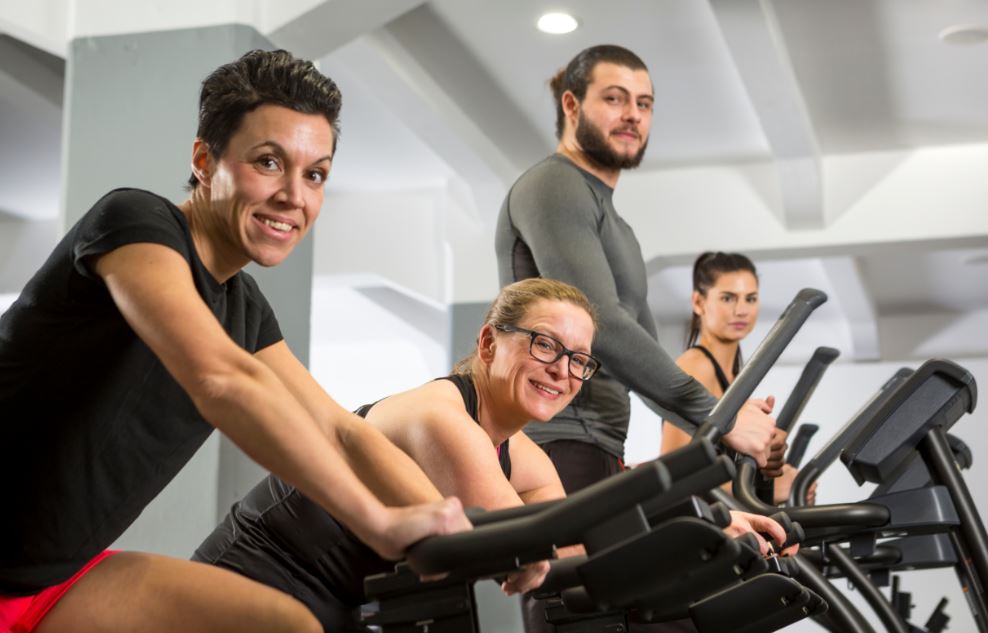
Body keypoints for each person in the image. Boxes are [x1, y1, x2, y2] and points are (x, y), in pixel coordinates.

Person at [0, 49, 469, 633]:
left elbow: (341, 430)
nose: (295, 196)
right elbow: (219, 379)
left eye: (315, 174)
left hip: (55, 575)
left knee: (283, 625)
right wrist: (376, 520)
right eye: (269, 162)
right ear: (204, 159)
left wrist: (457, 533)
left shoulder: (244, 308)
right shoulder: (134, 224)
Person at [192, 278, 795, 632]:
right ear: (488, 342)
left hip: (340, 607)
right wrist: (691, 525)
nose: (563, 371)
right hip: (257, 581)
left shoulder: (525, 457)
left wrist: (712, 523)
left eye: (579, 360)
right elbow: (528, 547)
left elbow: (574, 549)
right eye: (544, 346)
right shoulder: (440, 418)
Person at [493, 44, 785, 631]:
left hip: (605, 449)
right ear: (571, 105)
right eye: (615, 98)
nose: (632, 114)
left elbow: (646, 358)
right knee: (584, 618)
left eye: (644, 103)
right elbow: (596, 319)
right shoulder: (553, 186)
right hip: (557, 446)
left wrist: (733, 422)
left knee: (663, 612)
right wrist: (720, 415)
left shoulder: (616, 224)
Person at [662, 252, 815, 505]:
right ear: (698, 302)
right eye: (727, 298)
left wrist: (766, 465)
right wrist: (762, 490)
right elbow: (675, 472)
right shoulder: (696, 365)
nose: (741, 310)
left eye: (750, 299)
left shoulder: (735, 376)